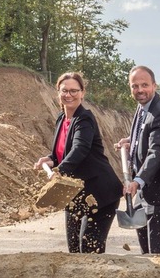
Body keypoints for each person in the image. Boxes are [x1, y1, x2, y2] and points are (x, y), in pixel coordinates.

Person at [33, 71, 122, 254]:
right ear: (58, 92)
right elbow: (63, 152)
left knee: (89, 250)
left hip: (100, 192)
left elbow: (80, 149)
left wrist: (59, 171)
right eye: (65, 91)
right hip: (76, 195)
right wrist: (50, 159)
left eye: (74, 91)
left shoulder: (84, 118)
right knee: (73, 249)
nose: (69, 95)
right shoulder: (62, 118)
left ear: (82, 93)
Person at [116, 65, 160, 254]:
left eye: (145, 85)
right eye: (135, 86)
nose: (140, 90)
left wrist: (137, 180)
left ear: (154, 85)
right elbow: (147, 135)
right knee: (145, 245)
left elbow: (156, 152)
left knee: (158, 248)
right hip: (145, 188)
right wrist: (131, 141)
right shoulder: (143, 107)